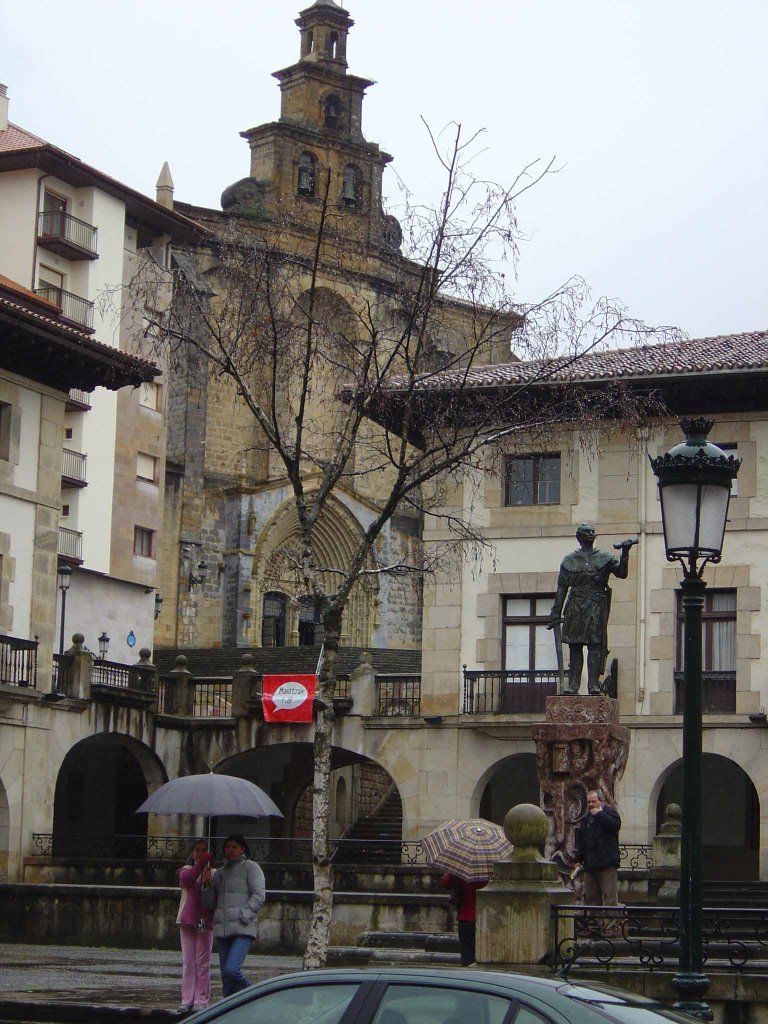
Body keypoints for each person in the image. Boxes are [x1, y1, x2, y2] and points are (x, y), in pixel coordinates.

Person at [549, 525, 636, 694]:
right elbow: (562, 587)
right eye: (587, 532)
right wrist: (555, 611)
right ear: (579, 537)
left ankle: (593, 685)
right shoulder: (569, 560)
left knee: (595, 645)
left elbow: (622, 573)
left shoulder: (605, 557)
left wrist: (625, 553)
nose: (591, 534)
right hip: (575, 605)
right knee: (575, 646)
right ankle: (574, 685)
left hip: (596, 605)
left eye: (592, 531)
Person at [202, 833, 265, 997]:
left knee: (231, 970)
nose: (230, 850)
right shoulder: (220, 873)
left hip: (242, 929)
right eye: (227, 847)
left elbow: (259, 895)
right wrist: (207, 884)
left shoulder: (251, 867)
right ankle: (228, 1010)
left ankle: (254, 994)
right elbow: (209, 903)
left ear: (242, 849)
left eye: (234, 847)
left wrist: (244, 915)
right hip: (223, 930)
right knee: (226, 979)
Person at [177, 839, 215, 1013]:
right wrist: (200, 865)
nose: (200, 853)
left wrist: (209, 883)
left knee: (202, 962)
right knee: (189, 962)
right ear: (192, 853)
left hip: (205, 922)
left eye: (204, 850)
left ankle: (201, 998)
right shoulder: (187, 871)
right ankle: (187, 999)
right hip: (188, 921)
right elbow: (187, 879)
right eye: (197, 850)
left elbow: (214, 896)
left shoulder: (212, 873)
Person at [573, 790, 621, 912]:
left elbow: (615, 826)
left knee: (609, 898)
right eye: (588, 802)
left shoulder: (609, 812)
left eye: (593, 801)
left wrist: (600, 814)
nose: (591, 805)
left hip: (607, 863)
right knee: (591, 898)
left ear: (600, 801)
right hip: (590, 864)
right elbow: (582, 840)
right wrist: (579, 858)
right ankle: (594, 926)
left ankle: (610, 928)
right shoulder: (586, 818)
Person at [440, 872, 488, 966]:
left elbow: (445, 882)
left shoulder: (460, 873)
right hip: (483, 917)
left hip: (465, 916)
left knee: (466, 951)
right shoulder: (484, 873)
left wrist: (452, 871)